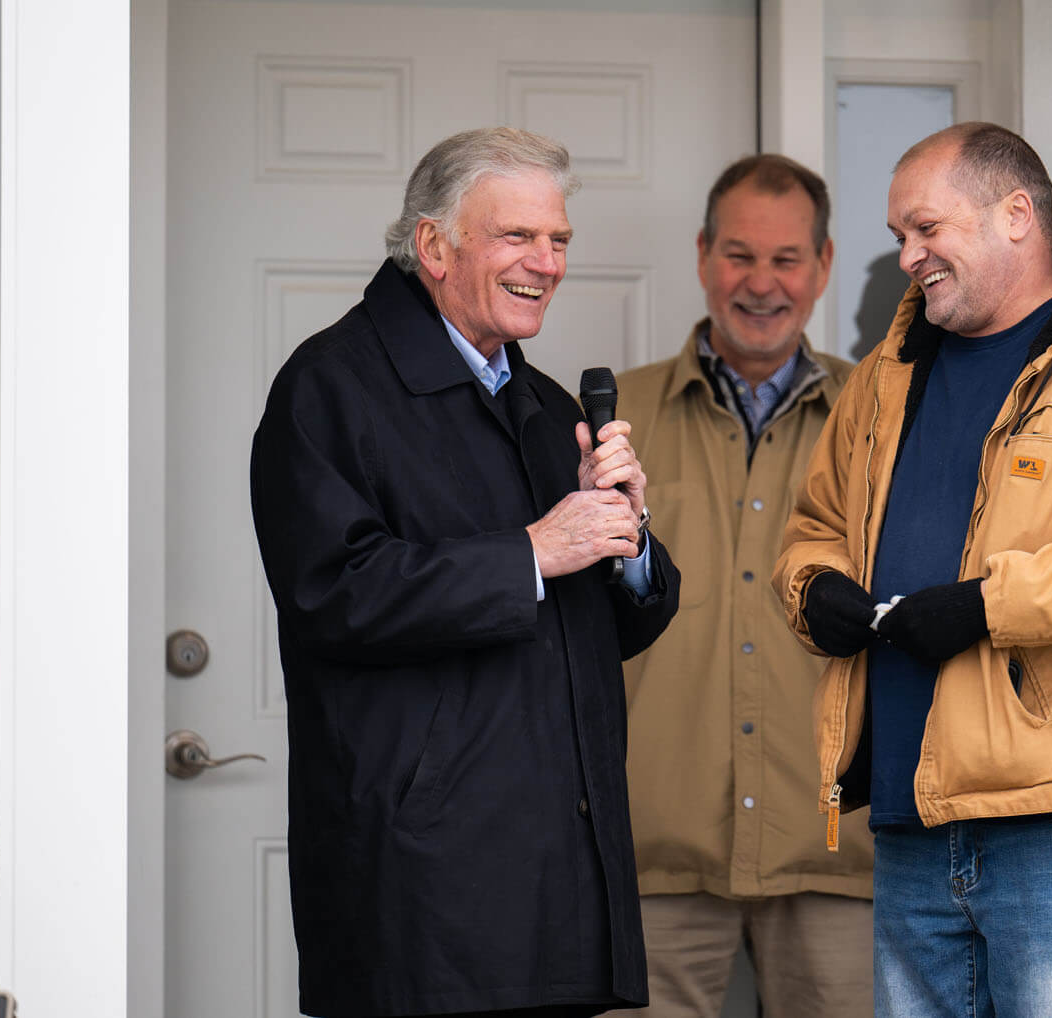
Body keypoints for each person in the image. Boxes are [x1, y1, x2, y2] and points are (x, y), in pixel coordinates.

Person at [773, 122, 1052, 1018]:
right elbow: (815, 529)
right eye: (899, 236)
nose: (906, 255)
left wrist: (989, 606)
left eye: (925, 229)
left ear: (1015, 214)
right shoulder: (882, 377)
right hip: (909, 817)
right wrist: (812, 588)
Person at [249, 127, 680, 1018]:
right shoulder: (330, 387)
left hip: (559, 880)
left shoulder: (548, 404)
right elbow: (334, 593)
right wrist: (533, 552)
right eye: (516, 237)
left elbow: (601, 628)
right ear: (434, 247)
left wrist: (628, 542)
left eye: (558, 240)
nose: (546, 263)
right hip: (423, 891)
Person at [616, 154, 871, 1018]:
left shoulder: (882, 418)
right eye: (738, 254)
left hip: (835, 845)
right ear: (701, 256)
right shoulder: (611, 416)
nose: (760, 283)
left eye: (786, 258)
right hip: (654, 845)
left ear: (824, 266)